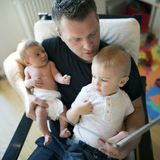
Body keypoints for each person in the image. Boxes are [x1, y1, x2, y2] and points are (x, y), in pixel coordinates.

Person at [3, 0, 145, 159]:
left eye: (92, 33)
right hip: (55, 142)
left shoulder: (120, 62)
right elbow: (10, 61)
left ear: (97, 20)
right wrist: (26, 96)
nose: (88, 46)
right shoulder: (47, 50)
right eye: (76, 39)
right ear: (60, 34)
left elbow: (137, 108)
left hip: (98, 151)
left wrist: (129, 143)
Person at [65, 45, 134, 159]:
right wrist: (77, 111)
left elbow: (125, 118)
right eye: (94, 76)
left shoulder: (124, 99)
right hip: (79, 147)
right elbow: (69, 118)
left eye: (103, 80)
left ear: (122, 82)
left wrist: (122, 132)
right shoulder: (87, 92)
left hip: (106, 154)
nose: (96, 83)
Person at [17, 39, 71, 145]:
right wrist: (30, 82)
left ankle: (62, 130)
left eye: (43, 51)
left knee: (63, 109)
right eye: (37, 54)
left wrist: (62, 79)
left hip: (54, 98)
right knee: (39, 112)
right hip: (41, 99)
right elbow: (26, 84)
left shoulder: (50, 64)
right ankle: (46, 134)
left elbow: (56, 75)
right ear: (28, 62)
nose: (43, 55)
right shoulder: (28, 70)